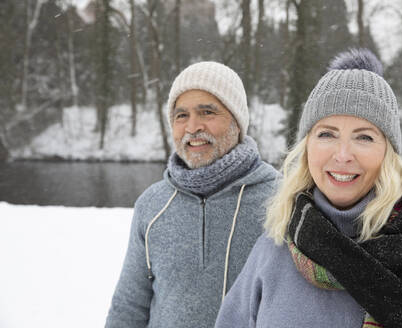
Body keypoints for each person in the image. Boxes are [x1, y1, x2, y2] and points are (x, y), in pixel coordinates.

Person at [215, 49, 402, 328]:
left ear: (389, 153)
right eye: (327, 134)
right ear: (307, 147)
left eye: (364, 137)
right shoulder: (275, 249)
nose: (343, 154)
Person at [105, 61, 279, 328]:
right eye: (181, 115)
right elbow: (129, 307)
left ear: (237, 121)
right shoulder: (152, 206)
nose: (192, 127)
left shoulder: (280, 201)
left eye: (207, 112)